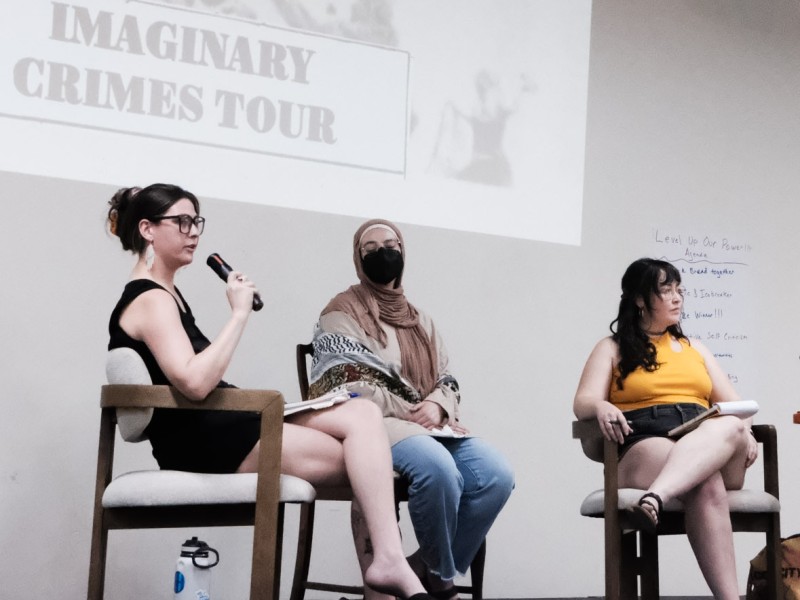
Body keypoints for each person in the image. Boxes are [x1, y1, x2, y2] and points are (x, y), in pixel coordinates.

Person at [105, 184, 430, 600]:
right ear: (148, 230)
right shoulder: (150, 298)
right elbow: (195, 382)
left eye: (196, 222)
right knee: (368, 462)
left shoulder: (166, 293)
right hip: (202, 441)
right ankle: (387, 573)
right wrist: (239, 314)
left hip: (228, 422)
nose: (193, 232)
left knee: (362, 415)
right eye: (181, 222)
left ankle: (387, 563)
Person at [308, 218, 515, 600]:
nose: (382, 253)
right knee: (437, 470)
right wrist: (411, 408)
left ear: (403, 253)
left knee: (496, 475)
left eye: (390, 245)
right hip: (372, 425)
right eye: (370, 249)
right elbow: (345, 380)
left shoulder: (421, 320)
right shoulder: (341, 312)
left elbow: (446, 377)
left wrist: (438, 405)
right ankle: (441, 579)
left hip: (429, 424)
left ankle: (428, 565)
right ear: (358, 259)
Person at [573, 257, 758, 600]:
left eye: (679, 290)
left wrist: (745, 430)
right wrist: (600, 405)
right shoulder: (611, 348)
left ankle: (654, 498)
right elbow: (582, 401)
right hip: (646, 441)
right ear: (640, 300)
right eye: (666, 290)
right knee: (706, 484)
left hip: (704, 439)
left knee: (731, 424)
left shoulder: (695, 349)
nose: (677, 298)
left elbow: (736, 405)